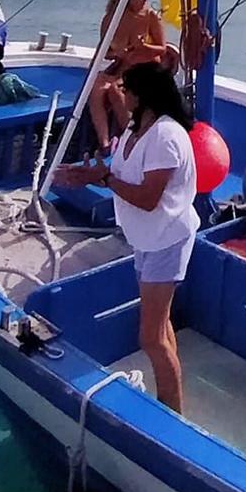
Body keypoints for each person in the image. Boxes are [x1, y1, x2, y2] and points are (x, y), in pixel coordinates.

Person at [54, 63, 198, 411]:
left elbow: (148, 199)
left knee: (150, 337)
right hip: (147, 241)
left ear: (143, 95)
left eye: (128, 89)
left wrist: (102, 180)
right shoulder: (136, 128)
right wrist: (87, 175)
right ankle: (172, 400)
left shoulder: (165, 136)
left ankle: (171, 413)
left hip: (167, 240)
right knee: (160, 328)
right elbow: (118, 173)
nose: (122, 94)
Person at [89, 0, 174, 150]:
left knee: (116, 91)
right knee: (96, 88)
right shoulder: (111, 19)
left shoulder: (151, 16)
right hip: (124, 67)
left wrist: (143, 46)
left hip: (147, 68)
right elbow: (104, 51)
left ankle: (135, 137)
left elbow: (162, 49)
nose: (144, 0)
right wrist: (117, 53)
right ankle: (105, 141)